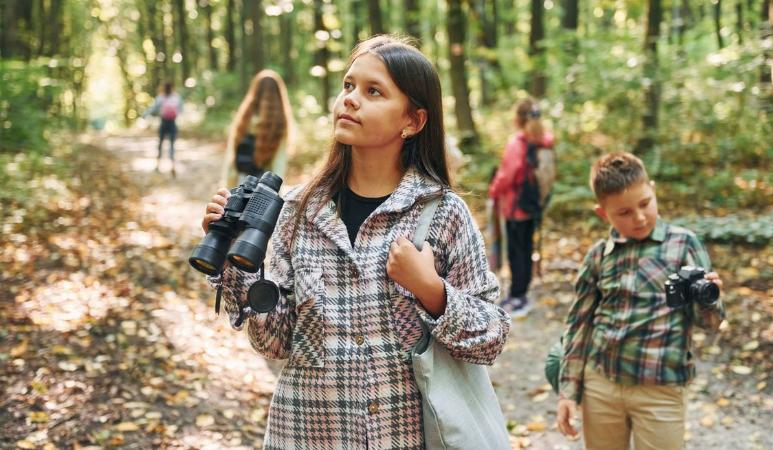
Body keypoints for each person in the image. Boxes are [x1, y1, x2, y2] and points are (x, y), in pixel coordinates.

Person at [200, 35, 511, 448]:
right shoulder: (297, 211)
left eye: (373, 91)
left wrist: (432, 291)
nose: (350, 99)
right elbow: (273, 342)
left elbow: (491, 338)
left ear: (413, 121)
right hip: (308, 436)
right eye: (348, 85)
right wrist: (237, 267)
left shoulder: (443, 214)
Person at [555, 152, 725, 450]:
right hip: (601, 385)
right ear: (602, 213)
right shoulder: (598, 256)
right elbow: (578, 324)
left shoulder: (683, 244)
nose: (640, 217)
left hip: (660, 388)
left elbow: (711, 322)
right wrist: (568, 392)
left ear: (653, 190)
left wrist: (710, 299)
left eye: (645, 203)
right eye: (623, 212)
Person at [488, 98, 555, 318]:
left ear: (518, 119)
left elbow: (508, 174)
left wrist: (493, 191)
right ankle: (522, 292)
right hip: (533, 204)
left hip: (515, 207)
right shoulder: (543, 141)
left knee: (516, 251)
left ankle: (517, 297)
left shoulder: (517, 143)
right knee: (526, 249)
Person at [222, 69, 294, 188]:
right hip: (264, 188)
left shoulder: (244, 119)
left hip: (240, 184)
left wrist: (227, 188)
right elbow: (278, 167)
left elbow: (232, 160)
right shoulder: (280, 124)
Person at [143, 82, 183, 176]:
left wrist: (145, 114)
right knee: (172, 145)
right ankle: (172, 166)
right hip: (172, 123)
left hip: (164, 122)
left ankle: (158, 165)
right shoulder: (176, 97)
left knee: (160, 143)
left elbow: (154, 108)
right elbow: (181, 109)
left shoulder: (161, 97)